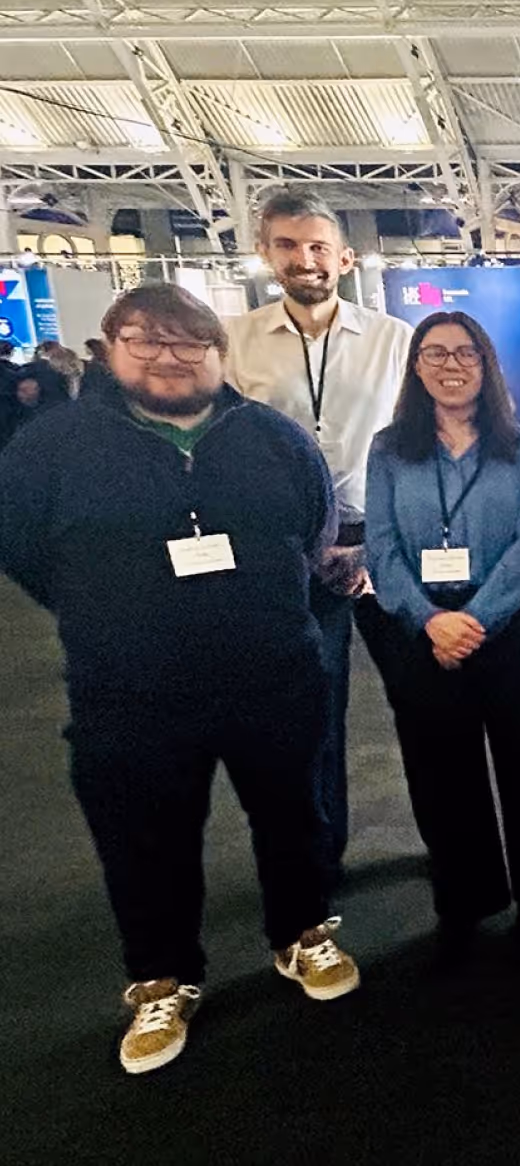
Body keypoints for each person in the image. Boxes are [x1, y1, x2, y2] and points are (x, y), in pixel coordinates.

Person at [0, 284, 360, 1076]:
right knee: (143, 840)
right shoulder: (52, 446)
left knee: (294, 814)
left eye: (190, 342)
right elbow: (23, 550)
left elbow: (313, 527)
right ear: (111, 348)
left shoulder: (271, 437)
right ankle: (162, 979)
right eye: (146, 339)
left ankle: (302, 933)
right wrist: (111, 614)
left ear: (217, 354)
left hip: (271, 672)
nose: (170, 356)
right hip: (128, 691)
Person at [362, 311, 520, 952]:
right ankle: (466, 896)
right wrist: (430, 620)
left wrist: (476, 620)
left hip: (515, 626)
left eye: (466, 353)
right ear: (416, 367)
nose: (452, 365)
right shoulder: (388, 449)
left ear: (486, 365)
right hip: (422, 628)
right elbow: (381, 547)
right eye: (435, 353)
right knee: (441, 771)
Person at [225, 188, 414, 884]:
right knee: (311, 712)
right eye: (287, 245)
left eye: (316, 247)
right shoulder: (234, 343)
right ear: (265, 253)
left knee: (426, 704)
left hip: (382, 540)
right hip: (287, 550)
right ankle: (318, 860)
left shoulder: (393, 339)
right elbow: (228, 451)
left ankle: (453, 851)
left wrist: (374, 546)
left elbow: (413, 446)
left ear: (344, 257)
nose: (304, 260)